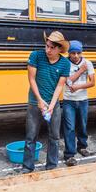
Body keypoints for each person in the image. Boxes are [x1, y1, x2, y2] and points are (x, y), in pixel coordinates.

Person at [19, 31, 71, 174]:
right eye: (46, 46)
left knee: (54, 136)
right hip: (35, 102)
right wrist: (40, 101)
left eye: (52, 48)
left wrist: (52, 106)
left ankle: (51, 165)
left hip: (53, 103)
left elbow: (60, 86)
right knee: (31, 135)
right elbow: (31, 80)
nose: (47, 50)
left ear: (60, 49)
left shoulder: (65, 63)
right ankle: (28, 167)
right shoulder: (35, 56)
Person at [63, 40, 96, 166]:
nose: (76, 56)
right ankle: (69, 154)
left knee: (82, 125)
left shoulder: (88, 63)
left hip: (82, 100)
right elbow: (67, 82)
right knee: (69, 128)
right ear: (69, 53)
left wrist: (77, 87)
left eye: (78, 53)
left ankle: (82, 146)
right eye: (73, 53)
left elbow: (92, 82)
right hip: (69, 101)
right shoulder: (65, 63)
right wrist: (81, 71)